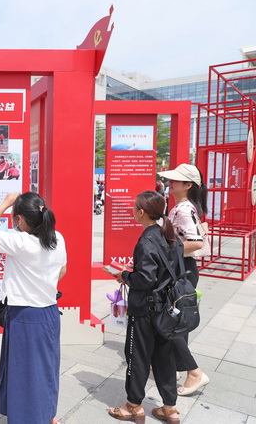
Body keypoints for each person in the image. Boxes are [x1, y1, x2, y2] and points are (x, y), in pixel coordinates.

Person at [0, 192, 67, 424]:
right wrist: (44, 284)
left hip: (25, 316)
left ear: (19, 219)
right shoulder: (57, 238)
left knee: (25, 374)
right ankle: (48, 414)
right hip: (49, 312)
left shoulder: (21, 242)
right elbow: (62, 270)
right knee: (46, 369)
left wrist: (6, 202)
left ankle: (30, 418)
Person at [106, 190, 181, 423]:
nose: (132, 210)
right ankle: (169, 408)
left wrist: (126, 275)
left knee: (137, 355)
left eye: (134, 206)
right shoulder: (168, 235)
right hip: (166, 307)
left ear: (141, 212)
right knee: (164, 357)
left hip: (145, 310)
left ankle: (133, 405)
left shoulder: (146, 241)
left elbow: (146, 279)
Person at [160, 163, 210, 396]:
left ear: (188, 185)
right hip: (181, 269)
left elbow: (196, 242)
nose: (170, 183)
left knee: (170, 322)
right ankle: (175, 367)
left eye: (175, 180)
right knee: (176, 320)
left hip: (181, 270)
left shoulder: (183, 209)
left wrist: (166, 253)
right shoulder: (182, 207)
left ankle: (194, 372)